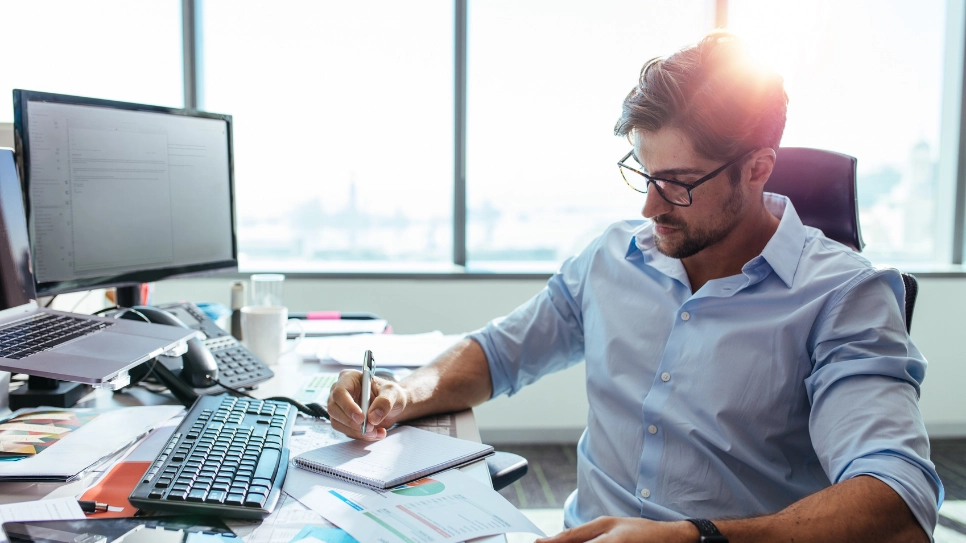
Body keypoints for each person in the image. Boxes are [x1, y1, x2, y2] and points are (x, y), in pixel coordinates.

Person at [327, 30, 942, 543]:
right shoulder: (614, 255)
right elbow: (498, 353)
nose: (650, 207)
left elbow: (899, 497)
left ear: (757, 169)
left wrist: (692, 536)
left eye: (677, 182)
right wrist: (401, 393)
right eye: (642, 174)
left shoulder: (843, 297)